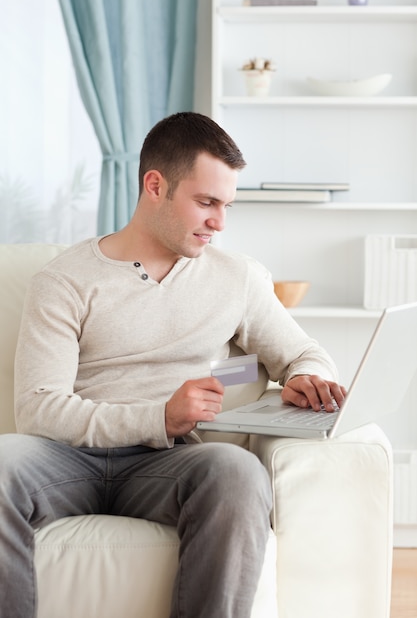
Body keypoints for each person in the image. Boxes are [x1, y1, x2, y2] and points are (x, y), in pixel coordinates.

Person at [0, 112, 346, 618]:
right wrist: (158, 416)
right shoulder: (65, 281)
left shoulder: (237, 278)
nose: (219, 222)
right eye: (206, 202)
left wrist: (303, 378)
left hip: (169, 464)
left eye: (226, 205)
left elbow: (303, 353)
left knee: (238, 472)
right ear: (155, 185)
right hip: (67, 459)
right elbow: (38, 409)